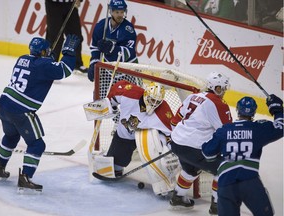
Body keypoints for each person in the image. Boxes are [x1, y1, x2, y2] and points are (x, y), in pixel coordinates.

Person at [0, 35, 80, 192]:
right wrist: (68, 51)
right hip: (21, 111)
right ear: (42, 51)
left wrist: (49, 59)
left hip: (4, 105)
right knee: (37, 144)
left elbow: (40, 67)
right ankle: (26, 177)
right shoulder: (44, 65)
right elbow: (64, 70)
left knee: (11, 136)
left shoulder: (22, 58)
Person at [91, 80, 180, 195]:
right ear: (146, 94)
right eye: (152, 100)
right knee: (115, 168)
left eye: (157, 102)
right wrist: (109, 104)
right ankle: (118, 166)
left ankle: (163, 179)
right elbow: (117, 88)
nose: (154, 104)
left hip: (146, 136)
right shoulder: (130, 93)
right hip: (125, 135)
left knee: (161, 149)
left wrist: (171, 150)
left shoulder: (163, 111)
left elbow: (171, 133)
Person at [202, 95, 283, 216]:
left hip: (226, 183)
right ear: (254, 112)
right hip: (249, 181)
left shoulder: (224, 130)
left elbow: (208, 153)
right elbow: (281, 127)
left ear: (237, 110)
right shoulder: (258, 128)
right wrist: (277, 109)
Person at [169, 71, 232, 214]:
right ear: (217, 88)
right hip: (193, 147)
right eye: (223, 88)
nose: (224, 92)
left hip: (176, 142)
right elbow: (227, 132)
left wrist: (180, 139)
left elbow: (174, 121)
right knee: (224, 168)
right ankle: (217, 206)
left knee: (191, 169)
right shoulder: (219, 104)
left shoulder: (193, 96)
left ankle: (178, 197)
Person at [88, 0, 138, 82]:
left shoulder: (128, 29)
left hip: (129, 70)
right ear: (111, 11)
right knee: (101, 94)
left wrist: (112, 49)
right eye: (117, 12)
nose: (120, 15)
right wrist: (94, 63)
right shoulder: (101, 26)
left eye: (122, 12)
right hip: (109, 69)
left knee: (133, 94)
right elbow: (95, 47)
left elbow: (128, 53)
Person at [45, 0, 88, 74]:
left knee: (75, 34)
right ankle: (50, 65)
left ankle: (77, 63)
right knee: (55, 36)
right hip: (53, 4)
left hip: (70, 4)